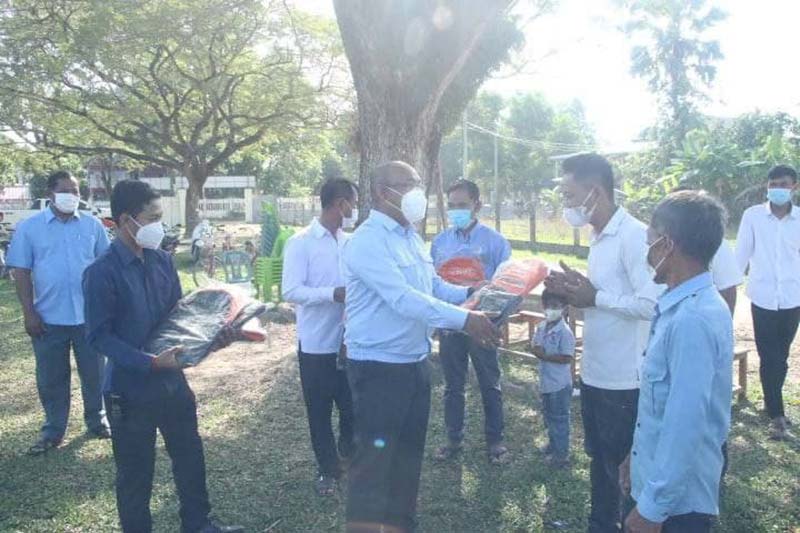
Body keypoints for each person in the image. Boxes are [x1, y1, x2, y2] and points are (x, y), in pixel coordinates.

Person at [343, 161, 500, 533]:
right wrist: (465, 319)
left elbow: (432, 286)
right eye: (408, 185)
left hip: (415, 364)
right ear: (382, 192)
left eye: (419, 184)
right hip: (378, 368)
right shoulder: (367, 241)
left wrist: (472, 293)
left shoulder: (409, 236)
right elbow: (403, 299)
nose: (417, 193)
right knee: (373, 467)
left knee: (407, 460)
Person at [82, 180, 242, 533]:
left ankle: (198, 524)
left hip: (172, 383)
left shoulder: (163, 261)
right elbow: (99, 336)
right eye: (152, 218)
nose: (159, 226)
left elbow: (179, 319)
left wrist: (212, 338)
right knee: (135, 474)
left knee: (189, 457)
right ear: (125, 220)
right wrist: (149, 363)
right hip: (129, 391)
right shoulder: (101, 273)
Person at [544, 153, 661, 533]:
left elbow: (651, 305)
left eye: (569, 194)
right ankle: (601, 525)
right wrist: (575, 291)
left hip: (624, 380)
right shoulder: (599, 236)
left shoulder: (633, 236)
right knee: (600, 461)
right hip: (595, 372)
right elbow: (601, 299)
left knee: (624, 469)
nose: (566, 204)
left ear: (595, 192)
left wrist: (595, 297)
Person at [621, 190, 733, 533]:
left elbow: (685, 424)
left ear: (667, 244)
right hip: (658, 484)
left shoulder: (692, 320)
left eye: (650, 240)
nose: (647, 250)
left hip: (676, 507)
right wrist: (634, 458)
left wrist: (652, 510)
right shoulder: (678, 305)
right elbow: (660, 410)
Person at [6, 170, 111, 455]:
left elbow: (106, 267)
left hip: (88, 317)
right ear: (50, 193)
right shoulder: (30, 228)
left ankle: (97, 421)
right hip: (48, 318)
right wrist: (29, 313)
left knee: (95, 373)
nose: (72, 196)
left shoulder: (92, 226)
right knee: (51, 379)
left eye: (75, 190)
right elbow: (22, 271)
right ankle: (53, 430)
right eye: (65, 190)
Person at [282, 178, 358, 496]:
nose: (355, 210)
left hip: (350, 343)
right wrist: (332, 294)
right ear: (340, 204)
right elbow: (291, 290)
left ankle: (348, 455)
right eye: (353, 203)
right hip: (316, 345)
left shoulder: (351, 242)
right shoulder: (301, 242)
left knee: (353, 407)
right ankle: (327, 470)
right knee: (320, 412)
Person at [430, 179, 511, 464]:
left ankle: (495, 441)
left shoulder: (496, 242)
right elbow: (432, 284)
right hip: (451, 323)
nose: (456, 211)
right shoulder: (439, 243)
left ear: (477, 204)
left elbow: (506, 285)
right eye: (451, 206)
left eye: (462, 205)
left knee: (489, 382)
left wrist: (495, 319)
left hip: (482, 324)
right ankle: (453, 439)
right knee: (453, 386)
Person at [736, 164, 800, 441]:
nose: (777, 189)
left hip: (792, 299)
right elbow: (741, 254)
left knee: (781, 357)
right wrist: (727, 286)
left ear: (794, 187)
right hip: (762, 298)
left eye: (783, 184)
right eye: (773, 184)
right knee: (769, 355)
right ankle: (777, 415)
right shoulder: (753, 216)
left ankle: (771, 403)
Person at [531, 289, 575, 468]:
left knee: (559, 419)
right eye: (548, 305)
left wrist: (545, 356)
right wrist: (536, 350)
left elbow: (567, 358)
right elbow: (535, 346)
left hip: (559, 384)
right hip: (546, 382)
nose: (551, 309)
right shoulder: (542, 326)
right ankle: (553, 444)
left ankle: (561, 455)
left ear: (564, 308)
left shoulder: (565, 332)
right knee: (548, 416)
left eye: (555, 306)